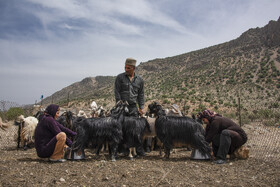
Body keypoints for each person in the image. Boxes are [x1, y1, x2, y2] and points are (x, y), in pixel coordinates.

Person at [114, 57, 146, 155]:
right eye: (125, 68)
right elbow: (117, 92)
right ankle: (123, 150)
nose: (126, 70)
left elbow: (141, 95)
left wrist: (141, 107)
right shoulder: (120, 78)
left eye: (128, 68)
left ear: (134, 68)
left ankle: (138, 150)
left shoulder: (140, 80)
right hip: (122, 107)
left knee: (135, 129)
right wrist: (119, 104)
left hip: (133, 107)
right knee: (121, 128)